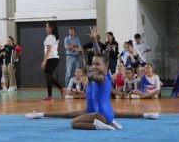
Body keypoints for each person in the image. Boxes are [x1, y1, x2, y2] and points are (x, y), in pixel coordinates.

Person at [26, 27, 159, 129]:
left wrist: (86, 68)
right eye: (93, 64)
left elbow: (92, 69)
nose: (94, 66)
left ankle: (106, 124)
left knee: (75, 123)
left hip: (99, 113)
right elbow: (97, 56)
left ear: (106, 66)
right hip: (92, 109)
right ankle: (40, 114)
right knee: (65, 114)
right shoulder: (98, 73)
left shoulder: (101, 77)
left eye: (97, 65)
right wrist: (94, 41)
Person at [41, 21, 65, 100]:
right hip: (55, 59)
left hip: (50, 59)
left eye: (47, 26)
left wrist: (44, 61)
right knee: (49, 76)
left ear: (51, 28)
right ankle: (60, 89)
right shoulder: (55, 37)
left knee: (48, 76)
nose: (46, 28)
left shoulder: (50, 37)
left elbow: (48, 49)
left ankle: (50, 95)